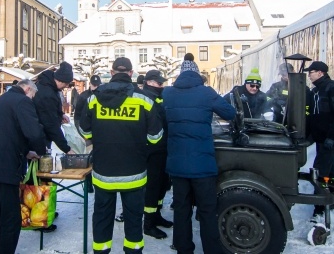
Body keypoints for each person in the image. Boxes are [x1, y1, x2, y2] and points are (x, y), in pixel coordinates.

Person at [79, 57, 163, 254]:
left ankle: (101, 251)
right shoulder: (144, 100)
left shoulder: (93, 98)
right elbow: (156, 136)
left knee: (101, 217)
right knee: (134, 220)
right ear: (131, 73)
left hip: (103, 173)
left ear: (112, 71)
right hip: (134, 173)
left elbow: (85, 133)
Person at [162, 55, 236, 254]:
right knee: (207, 211)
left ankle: (183, 249)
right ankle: (212, 250)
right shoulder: (207, 92)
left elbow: (161, 119)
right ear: (197, 73)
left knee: (181, 210)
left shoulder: (168, 94)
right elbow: (229, 113)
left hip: (177, 165)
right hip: (203, 166)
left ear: (180, 74)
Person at [0, 79, 46, 254]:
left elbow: (4, 132)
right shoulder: (22, 101)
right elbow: (34, 132)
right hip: (4, 169)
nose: (32, 99)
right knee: (10, 218)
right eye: (33, 96)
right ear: (27, 89)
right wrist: (41, 151)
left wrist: (25, 151)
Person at [142, 69, 173, 240]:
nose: (162, 85)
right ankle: (148, 224)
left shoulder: (158, 97)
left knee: (162, 185)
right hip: (152, 151)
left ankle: (157, 215)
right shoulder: (147, 98)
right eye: (159, 83)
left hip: (162, 149)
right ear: (150, 82)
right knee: (153, 188)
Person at [303, 61, 334, 217]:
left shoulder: (331, 88)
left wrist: (331, 137)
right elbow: (312, 117)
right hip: (320, 140)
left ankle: (320, 208)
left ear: (321, 73)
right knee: (329, 171)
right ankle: (329, 200)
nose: (309, 74)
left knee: (320, 172)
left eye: (312, 72)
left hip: (329, 140)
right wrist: (310, 136)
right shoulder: (315, 91)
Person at [33, 61, 76, 154]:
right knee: (41, 165)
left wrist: (61, 115)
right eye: (66, 83)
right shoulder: (47, 94)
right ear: (60, 80)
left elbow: (52, 109)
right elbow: (50, 124)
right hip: (39, 136)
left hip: (41, 133)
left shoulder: (49, 87)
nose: (67, 86)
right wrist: (66, 149)